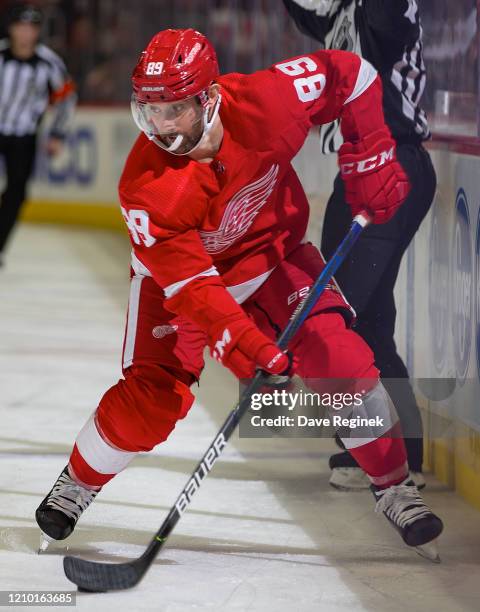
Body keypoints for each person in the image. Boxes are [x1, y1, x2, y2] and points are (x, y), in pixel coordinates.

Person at [35, 28, 443, 561]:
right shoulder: (148, 186)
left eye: (173, 109)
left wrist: (369, 152)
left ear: (208, 98)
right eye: (148, 111)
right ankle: (79, 481)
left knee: (339, 360)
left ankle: (394, 486)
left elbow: (353, 74)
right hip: (179, 284)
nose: (159, 126)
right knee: (152, 402)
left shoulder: (267, 100)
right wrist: (243, 341)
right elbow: (193, 289)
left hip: (275, 256)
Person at [283, 0, 435, 490]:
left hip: (390, 167)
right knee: (366, 317)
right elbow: (309, 13)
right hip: (357, 171)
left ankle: (381, 452)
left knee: (345, 311)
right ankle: (401, 451)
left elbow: (387, 26)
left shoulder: (384, 8)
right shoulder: (341, 10)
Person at [0, 3, 76, 267]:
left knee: (17, 192)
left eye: (31, 27)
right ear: (11, 29)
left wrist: (57, 133)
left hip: (24, 135)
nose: (25, 33)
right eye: (20, 26)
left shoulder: (48, 62)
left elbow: (67, 98)